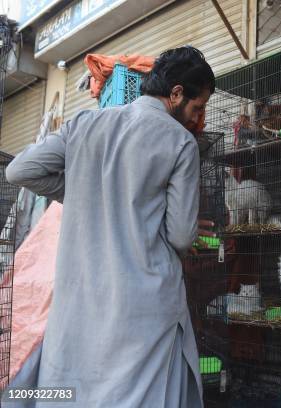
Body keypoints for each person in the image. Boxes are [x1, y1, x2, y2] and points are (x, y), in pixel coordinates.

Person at [4, 46, 215, 408]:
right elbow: (181, 235)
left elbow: (19, 171)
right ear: (177, 93)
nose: (197, 119)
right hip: (145, 303)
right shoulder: (180, 142)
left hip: (80, 299)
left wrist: (89, 194)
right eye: (197, 108)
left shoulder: (84, 124)